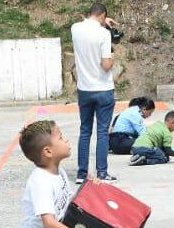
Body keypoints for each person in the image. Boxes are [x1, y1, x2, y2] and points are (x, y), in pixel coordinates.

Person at [71, 3, 119, 183]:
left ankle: (81, 174)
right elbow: (106, 65)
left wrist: (102, 20)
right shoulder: (104, 34)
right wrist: (113, 58)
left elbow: (86, 23)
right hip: (103, 89)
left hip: (84, 89)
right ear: (103, 16)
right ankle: (102, 173)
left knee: (85, 131)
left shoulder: (75, 29)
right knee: (102, 133)